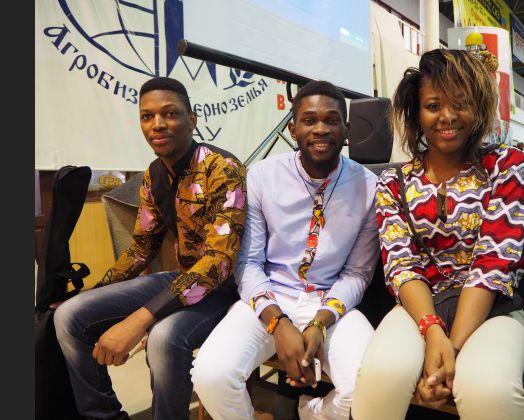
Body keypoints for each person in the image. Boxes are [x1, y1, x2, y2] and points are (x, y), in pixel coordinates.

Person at [351, 49, 524, 420]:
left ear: (478, 108)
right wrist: (432, 330)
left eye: (460, 104)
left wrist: (450, 351)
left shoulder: (506, 166)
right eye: (433, 106)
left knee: (489, 388)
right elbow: (401, 264)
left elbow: (494, 262)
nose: (447, 116)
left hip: (494, 308)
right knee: (381, 375)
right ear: (417, 113)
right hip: (419, 309)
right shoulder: (394, 181)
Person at [53, 77, 247, 420]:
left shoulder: (222, 169)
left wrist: (139, 320)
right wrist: (95, 291)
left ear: (192, 119)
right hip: (183, 278)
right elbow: (140, 249)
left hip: (228, 286)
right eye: (147, 116)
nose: (157, 124)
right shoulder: (153, 176)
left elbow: (218, 262)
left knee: (162, 336)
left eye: (169, 113)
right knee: (70, 315)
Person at [191, 80, 380, 420]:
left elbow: (357, 274)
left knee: (370, 387)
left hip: (331, 303)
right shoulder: (262, 176)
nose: (320, 129)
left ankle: (314, 413)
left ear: (347, 130)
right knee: (211, 375)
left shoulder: (369, 186)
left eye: (331, 120)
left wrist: (320, 322)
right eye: (309, 120)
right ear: (293, 129)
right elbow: (248, 263)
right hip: (269, 298)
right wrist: (278, 323)